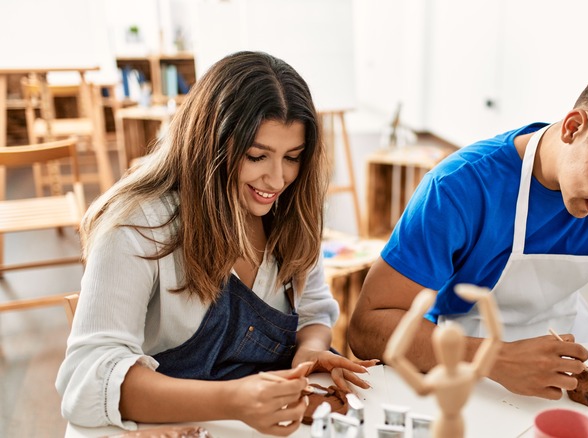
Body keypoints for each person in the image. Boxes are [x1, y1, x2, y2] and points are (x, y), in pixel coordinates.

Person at [349, 61, 588, 400]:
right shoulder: (459, 189)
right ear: (573, 127)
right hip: (463, 360)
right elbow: (369, 325)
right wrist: (494, 358)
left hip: (571, 348)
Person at [56, 51, 376, 436]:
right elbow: (88, 381)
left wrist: (308, 351)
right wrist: (234, 400)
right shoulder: (136, 224)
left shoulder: (291, 214)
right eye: (257, 156)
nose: (277, 180)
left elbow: (313, 313)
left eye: (292, 158)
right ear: (209, 145)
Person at [384, 284, 502, 438]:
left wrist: (415, 313)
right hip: (458, 425)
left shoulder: (437, 379)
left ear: (437, 349)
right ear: (461, 347)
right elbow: (495, 339)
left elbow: (393, 356)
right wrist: (485, 299)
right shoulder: (471, 373)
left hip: (443, 426)